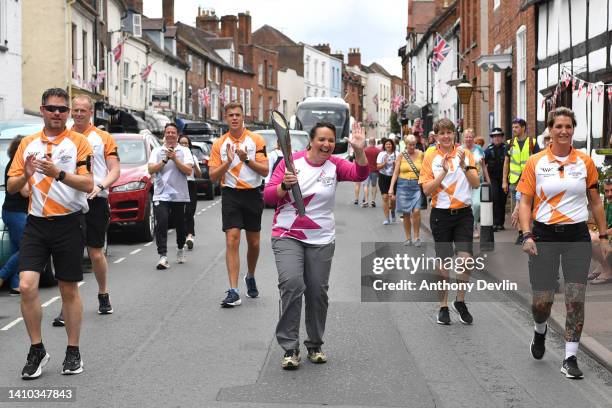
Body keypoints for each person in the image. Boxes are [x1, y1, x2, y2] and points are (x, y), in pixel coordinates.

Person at [263, 122, 368, 369]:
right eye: (321, 139)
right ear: (311, 141)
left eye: (331, 140)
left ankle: (315, 343)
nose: (326, 144)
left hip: (321, 238)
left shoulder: (336, 165)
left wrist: (360, 150)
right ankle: (290, 348)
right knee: (292, 284)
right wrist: (283, 186)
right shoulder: (291, 163)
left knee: (317, 292)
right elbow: (267, 196)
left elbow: (360, 175)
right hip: (287, 233)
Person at [8, 87, 93, 378]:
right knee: (27, 285)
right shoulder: (27, 144)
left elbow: (87, 183)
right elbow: (11, 187)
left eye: (63, 109)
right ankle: (37, 349)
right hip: (37, 223)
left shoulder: (79, 143)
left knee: (68, 289)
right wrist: (27, 175)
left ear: (67, 113)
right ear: (42, 110)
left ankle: (73, 351)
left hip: (69, 222)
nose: (58, 114)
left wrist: (58, 173)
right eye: (52, 108)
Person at [518, 107, 608, 379]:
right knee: (542, 301)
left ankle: (570, 357)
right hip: (544, 235)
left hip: (576, 237)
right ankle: (540, 331)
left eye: (568, 126)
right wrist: (527, 234)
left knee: (575, 299)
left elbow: (595, 202)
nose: (564, 131)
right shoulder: (536, 162)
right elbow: (524, 201)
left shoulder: (585, 162)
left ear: (573, 129)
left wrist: (602, 236)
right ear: (550, 129)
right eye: (558, 126)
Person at [58, 95, 119, 322]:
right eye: (76, 110)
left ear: (90, 112)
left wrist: (102, 184)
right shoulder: (64, 137)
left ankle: (103, 293)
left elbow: (115, 170)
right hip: (69, 200)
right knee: (69, 253)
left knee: (95, 252)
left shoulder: (103, 137)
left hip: (96, 199)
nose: (79, 114)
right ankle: (67, 305)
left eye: (83, 110)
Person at [419, 118, 480, 325]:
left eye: (449, 132)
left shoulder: (466, 153)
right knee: (444, 262)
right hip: (441, 215)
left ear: (454, 134)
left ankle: (460, 301)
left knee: (466, 259)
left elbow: (476, 183)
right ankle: (443, 306)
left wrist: (463, 166)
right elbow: (426, 190)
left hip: (463, 214)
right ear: (435, 136)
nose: (446, 136)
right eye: (441, 133)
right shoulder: (430, 156)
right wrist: (443, 172)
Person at [209, 102, 269, 307]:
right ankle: (233, 291)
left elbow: (265, 170)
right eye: (230, 115)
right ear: (226, 118)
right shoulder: (219, 144)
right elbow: (212, 176)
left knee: (254, 244)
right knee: (232, 240)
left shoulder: (256, 140)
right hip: (231, 195)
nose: (234, 118)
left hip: (252, 194)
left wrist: (246, 160)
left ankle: (250, 275)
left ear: (244, 117)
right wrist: (228, 161)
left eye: (238, 115)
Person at [148, 123, 194, 269]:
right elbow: (151, 170)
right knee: (161, 222)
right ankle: (163, 256)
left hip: (179, 195)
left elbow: (188, 171)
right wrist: (164, 160)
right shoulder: (156, 151)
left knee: (180, 225)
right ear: (164, 134)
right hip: (160, 195)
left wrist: (175, 158)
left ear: (177, 135)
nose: (170, 135)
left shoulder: (185, 150)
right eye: (168, 132)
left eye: (173, 132)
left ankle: (180, 248)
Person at [503, 118, 540, 244]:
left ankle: (530, 231)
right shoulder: (509, 143)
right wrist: (504, 181)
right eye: (513, 127)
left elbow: (538, 161)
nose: (514, 129)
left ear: (523, 128)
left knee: (530, 206)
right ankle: (520, 233)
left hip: (530, 180)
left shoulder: (532, 142)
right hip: (514, 180)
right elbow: (506, 162)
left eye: (517, 127)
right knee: (516, 207)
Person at [0, 135, 29, 296]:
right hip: (17, 212)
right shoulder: (19, 166)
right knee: (27, 247)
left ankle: (15, 284)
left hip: (9, 211)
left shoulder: (12, 164)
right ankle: (2, 275)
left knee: (16, 249)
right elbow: (25, 192)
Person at [389, 135, 423, 246]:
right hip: (403, 185)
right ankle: (408, 238)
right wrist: (391, 188)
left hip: (416, 185)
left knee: (416, 211)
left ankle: (417, 237)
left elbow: (425, 171)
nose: (412, 147)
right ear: (406, 144)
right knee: (406, 213)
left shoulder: (421, 154)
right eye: (410, 145)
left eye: (414, 144)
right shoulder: (401, 155)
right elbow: (395, 172)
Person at [462, 128, 490, 239]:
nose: (468, 139)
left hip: (478, 182)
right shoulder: (459, 150)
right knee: (467, 206)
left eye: (470, 137)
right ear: (463, 138)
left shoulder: (478, 149)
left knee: (477, 204)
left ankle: (473, 226)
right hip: (464, 183)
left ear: (473, 138)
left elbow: (483, 166)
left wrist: (488, 179)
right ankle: (468, 227)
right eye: (466, 137)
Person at [179, 135, 203, 250]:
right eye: (181, 143)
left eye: (186, 143)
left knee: (189, 211)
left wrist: (195, 165)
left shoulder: (193, 157)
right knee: (180, 213)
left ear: (189, 145)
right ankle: (183, 236)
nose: (184, 145)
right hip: (179, 185)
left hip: (191, 185)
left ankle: (189, 236)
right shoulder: (176, 156)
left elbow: (199, 175)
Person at [587, 179, 612, 284]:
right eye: (606, 191)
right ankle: (602, 266)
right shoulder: (609, 205)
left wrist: (601, 234)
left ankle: (608, 271)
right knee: (586, 235)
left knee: (593, 240)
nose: (609, 194)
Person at [485, 128, 508, 231]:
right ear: (492, 138)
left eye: (499, 136)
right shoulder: (488, 150)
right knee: (495, 198)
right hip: (492, 178)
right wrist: (486, 178)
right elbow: (483, 164)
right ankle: (494, 222)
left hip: (504, 178)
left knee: (502, 200)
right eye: (495, 136)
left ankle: (500, 223)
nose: (497, 138)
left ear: (502, 137)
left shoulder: (506, 148)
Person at [376, 138, 397, 224]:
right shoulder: (381, 154)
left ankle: (392, 212)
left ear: (392, 145)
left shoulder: (397, 154)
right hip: (383, 177)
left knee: (392, 199)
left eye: (390, 144)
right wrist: (384, 163)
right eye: (387, 144)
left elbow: (398, 168)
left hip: (393, 177)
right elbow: (378, 167)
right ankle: (387, 218)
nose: (388, 145)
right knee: (385, 197)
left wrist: (395, 164)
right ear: (384, 146)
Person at [361, 137, 380, 207]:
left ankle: (366, 201)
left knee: (366, 185)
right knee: (374, 186)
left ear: (369, 142)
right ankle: (373, 201)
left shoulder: (365, 150)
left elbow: (362, 160)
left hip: (366, 170)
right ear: (375, 142)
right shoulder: (378, 151)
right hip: (375, 171)